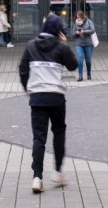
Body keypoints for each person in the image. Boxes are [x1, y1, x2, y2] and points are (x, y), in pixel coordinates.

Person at [18, 14, 78, 194]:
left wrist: (27, 87)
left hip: (37, 97)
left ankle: (37, 177)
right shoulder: (60, 47)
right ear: (58, 31)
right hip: (56, 97)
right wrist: (66, 45)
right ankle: (58, 171)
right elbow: (73, 66)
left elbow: (22, 69)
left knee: (39, 137)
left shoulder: (30, 46)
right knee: (58, 132)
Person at [72, 10, 95, 81]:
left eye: (79, 17)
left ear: (83, 17)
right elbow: (72, 35)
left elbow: (93, 30)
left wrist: (84, 32)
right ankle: (80, 76)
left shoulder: (88, 21)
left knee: (88, 60)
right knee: (80, 59)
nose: (78, 19)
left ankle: (88, 73)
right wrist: (76, 33)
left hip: (88, 44)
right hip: (79, 44)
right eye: (77, 17)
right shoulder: (75, 24)